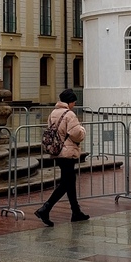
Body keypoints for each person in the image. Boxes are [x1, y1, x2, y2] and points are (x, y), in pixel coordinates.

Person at [34, 88, 88, 226]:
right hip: (67, 152)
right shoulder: (69, 114)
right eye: (74, 102)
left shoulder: (53, 113)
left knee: (69, 180)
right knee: (66, 183)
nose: (74, 105)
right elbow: (77, 133)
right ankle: (45, 208)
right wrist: (83, 130)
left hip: (57, 151)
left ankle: (76, 211)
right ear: (69, 102)